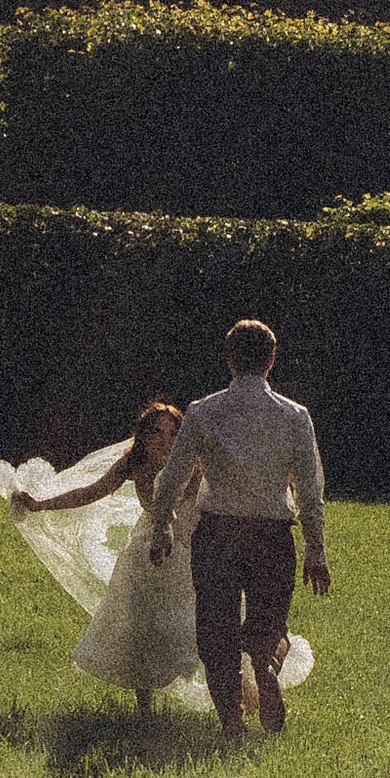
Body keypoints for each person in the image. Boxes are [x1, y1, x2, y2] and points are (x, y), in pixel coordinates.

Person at [0, 392, 314, 719]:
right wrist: (41, 504)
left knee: (206, 628)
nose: (164, 441)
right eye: (156, 433)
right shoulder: (132, 464)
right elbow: (93, 491)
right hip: (145, 556)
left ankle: (244, 691)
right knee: (138, 628)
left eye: (172, 433)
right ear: (143, 437)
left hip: (190, 555)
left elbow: (227, 488)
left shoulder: (194, 464)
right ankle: (145, 710)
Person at [148, 318, 330, 745]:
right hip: (271, 536)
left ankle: (231, 722)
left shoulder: (203, 411)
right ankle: (265, 665)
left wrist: (163, 528)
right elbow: (310, 489)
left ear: (229, 361)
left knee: (216, 632)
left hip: (218, 534)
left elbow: (171, 479)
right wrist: (316, 552)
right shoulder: (295, 416)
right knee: (267, 624)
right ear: (271, 360)